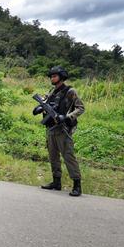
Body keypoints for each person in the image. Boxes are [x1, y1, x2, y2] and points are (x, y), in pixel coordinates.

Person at [34, 66, 84, 196]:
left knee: (68, 157)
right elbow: (46, 104)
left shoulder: (70, 91)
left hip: (63, 129)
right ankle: (56, 182)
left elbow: (80, 108)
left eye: (54, 76)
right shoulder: (52, 91)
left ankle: (77, 185)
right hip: (50, 128)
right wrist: (40, 107)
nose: (52, 78)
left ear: (61, 77)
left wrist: (67, 117)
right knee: (53, 157)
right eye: (51, 76)